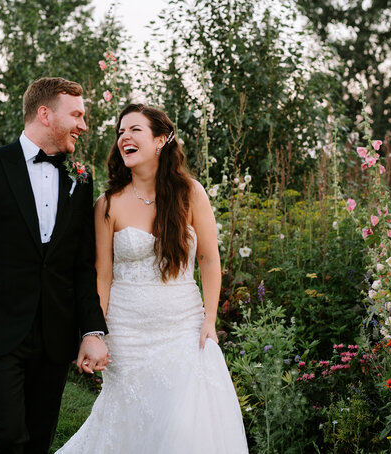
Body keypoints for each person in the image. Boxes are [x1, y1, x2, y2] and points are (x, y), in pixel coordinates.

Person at [57, 103, 248, 453]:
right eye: (120, 133)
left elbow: (208, 259)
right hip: (126, 332)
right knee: (131, 421)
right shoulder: (108, 204)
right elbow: (103, 275)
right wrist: (94, 333)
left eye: (134, 130)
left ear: (160, 140)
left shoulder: (191, 193)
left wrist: (209, 319)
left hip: (183, 327)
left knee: (183, 424)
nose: (123, 138)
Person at [0, 77, 109, 454]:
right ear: (45, 114)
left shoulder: (80, 178)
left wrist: (92, 329)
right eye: (77, 115)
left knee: (38, 439)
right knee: (5, 436)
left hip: (54, 335)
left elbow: (82, 264)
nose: (84, 125)